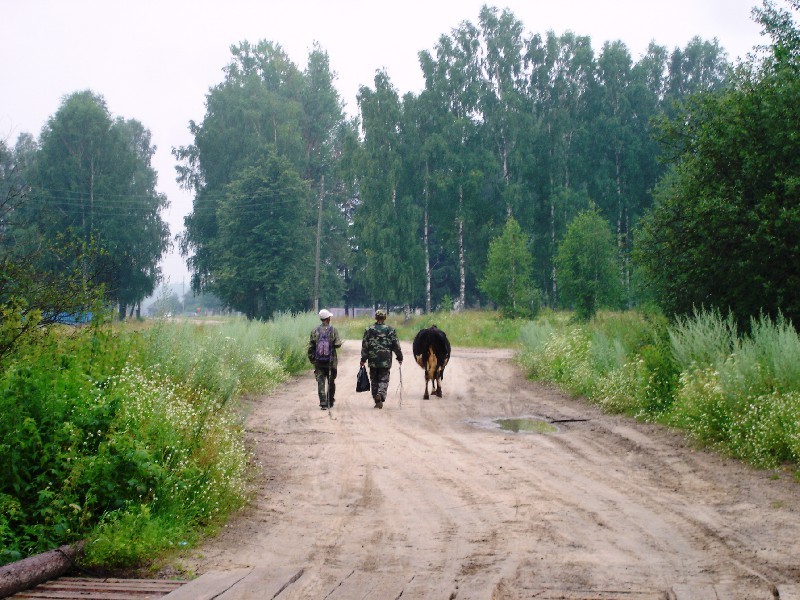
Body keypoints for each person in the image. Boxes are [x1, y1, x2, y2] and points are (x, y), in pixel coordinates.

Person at [360, 308, 403, 409]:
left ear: (375, 318)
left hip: (373, 359)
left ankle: (376, 398)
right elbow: (395, 345)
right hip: (385, 359)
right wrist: (399, 356)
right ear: (384, 318)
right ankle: (380, 394)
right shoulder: (390, 330)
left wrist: (363, 359)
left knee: (374, 380)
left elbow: (365, 346)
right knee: (384, 379)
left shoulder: (369, 329)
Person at [308, 309, 343, 410]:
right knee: (331, 382)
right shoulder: (333, 330)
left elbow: (311, 347)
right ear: (328, 319)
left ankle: (323, 403)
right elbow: (338, 344)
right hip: (331, 362)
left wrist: (313, 360)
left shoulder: (314, 331)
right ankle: (330, 401)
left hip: (318, 362)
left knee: (320, 382)